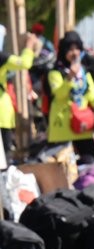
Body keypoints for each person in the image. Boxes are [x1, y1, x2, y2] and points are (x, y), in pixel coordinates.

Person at [46, 31, 94, 161]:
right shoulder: (55, 72)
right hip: (63, 127)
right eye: (70, 49)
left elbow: (92, 94)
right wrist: (70, 77)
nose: (74, 53)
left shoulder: (84, 72)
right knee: (63, 166)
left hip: (83, 125)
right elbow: (59, 95)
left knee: (91, 161)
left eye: (77, 49)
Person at [0, 29, 41, 157]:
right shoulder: (1, 58)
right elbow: (25, 63)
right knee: (3, 157)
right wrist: (29, 46)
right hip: (2, 114)